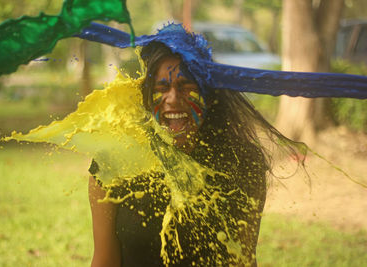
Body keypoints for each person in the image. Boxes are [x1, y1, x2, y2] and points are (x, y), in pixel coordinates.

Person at [87, 36, 301, 267]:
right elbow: (104, 260)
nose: (173, 99)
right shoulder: (113, 163)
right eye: (162, 87)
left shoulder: (242, 163)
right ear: (148, 98)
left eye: (186, 86)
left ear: (208, 94)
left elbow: (242, 261)